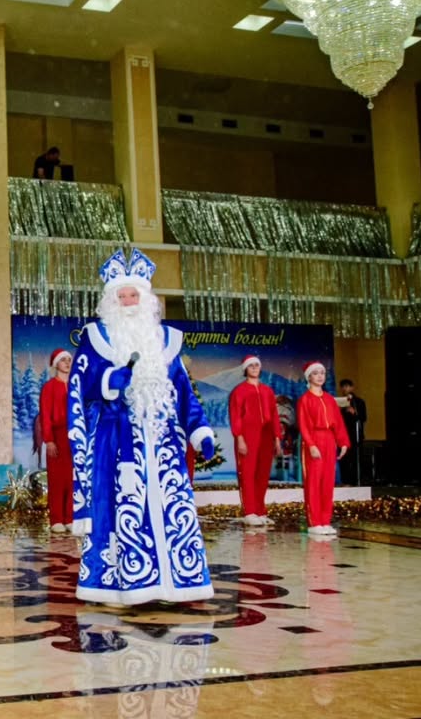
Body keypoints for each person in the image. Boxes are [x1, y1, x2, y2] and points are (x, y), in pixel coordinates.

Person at [67, 248, 216, 606]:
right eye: (121, 296)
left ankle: (176, 584)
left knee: (171, 509)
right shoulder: (96, 338)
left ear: (145, 299)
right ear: (110, 302)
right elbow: (79, 387)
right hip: (119, 445)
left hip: (164, 444)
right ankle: (121, 587)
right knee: (124, 511)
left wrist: (200, 431)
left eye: (133, 295)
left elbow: (183, 392)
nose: (128, 302)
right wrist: (108, 381)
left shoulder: (165, 341)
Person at [228, 355, 282, 527]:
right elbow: (236, 416)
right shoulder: (239, 391)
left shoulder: (267, 391)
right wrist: (240, 438)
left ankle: (260, 511)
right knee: (247, 473)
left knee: (263, 474)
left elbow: (274, 415)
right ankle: (249, 511)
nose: (254, 368)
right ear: (245, 369)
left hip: (266, 434)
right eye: (251, 366)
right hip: (248, 434)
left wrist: (277, 438)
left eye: (256, 365)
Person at [297, 362, 349, 536]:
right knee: (314, 482)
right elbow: (304, 425)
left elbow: (338, 423)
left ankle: (325, 521)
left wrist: (343, 442)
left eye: (322, 373)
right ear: (309, 377)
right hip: (314, 439)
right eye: (316, 373)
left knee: (327, 482)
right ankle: (314, 522)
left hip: (329, 440)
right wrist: (311, 445)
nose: (320, 376)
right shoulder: (305, 399)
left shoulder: (329, 399)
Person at [40, 348, 74, 532]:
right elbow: (45, 415)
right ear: (56, 364)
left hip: (74, 436)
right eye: (63, 360)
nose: (67, 363)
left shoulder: (76, 387)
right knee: (57, 478)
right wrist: (49, 440)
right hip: (57, 435)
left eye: (69, 359)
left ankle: (70, 517)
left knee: (71, 478)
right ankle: (57, 519)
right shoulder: (49, 387)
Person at [338, 378, 366, 485]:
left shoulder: (359, 402)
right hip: (343, 434)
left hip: (355, 434)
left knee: (355, 458)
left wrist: (354, 413)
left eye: (347, 386)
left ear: (352, 388)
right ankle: (345, 480)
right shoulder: (340, 402)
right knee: (344, 459)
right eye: (343, 387)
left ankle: (356, 480)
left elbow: (363, 418)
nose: (344, 389)